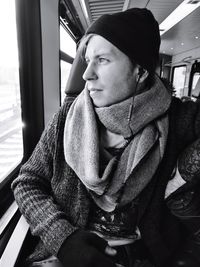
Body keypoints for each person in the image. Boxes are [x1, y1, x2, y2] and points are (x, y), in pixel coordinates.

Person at [11, 8, 200, 267]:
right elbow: (27, 182)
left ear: (141, 71)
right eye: (87, 60)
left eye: (102, 59)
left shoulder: (179, 119)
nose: (87, 74)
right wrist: (63, 238)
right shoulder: (67, 117)